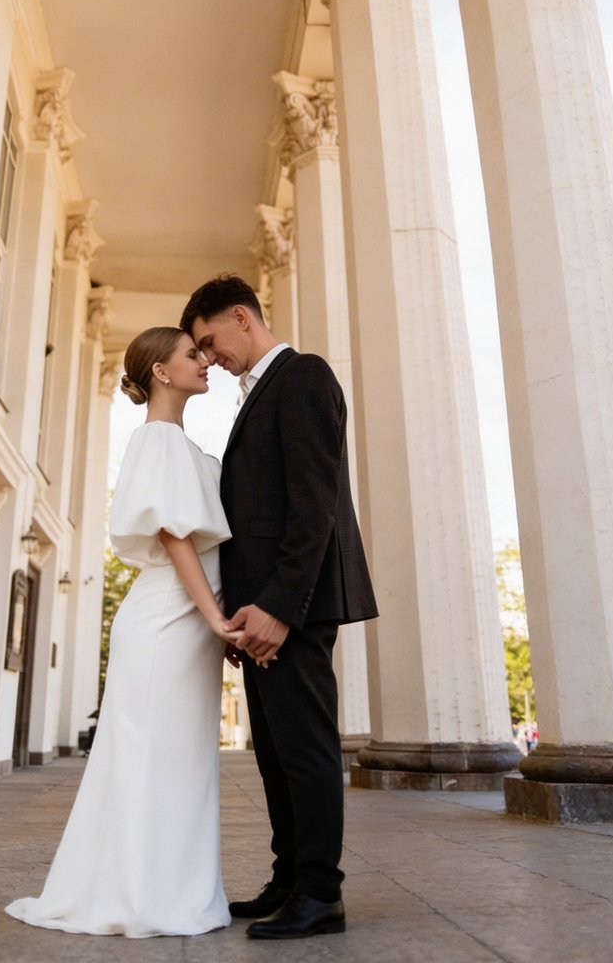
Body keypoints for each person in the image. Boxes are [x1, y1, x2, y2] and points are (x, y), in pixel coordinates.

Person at [5, 326, 237, 938]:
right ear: (160, 371)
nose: (205, 361)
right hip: (167, 620)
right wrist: (215, 615)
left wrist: (213, 621)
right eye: (192, 354)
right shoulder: (157, 439)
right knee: (150, 758)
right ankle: (138, 897)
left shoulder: (182, 445)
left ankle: (171, 890)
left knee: (181, 760)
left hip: (187, 621)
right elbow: (174, 535)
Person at [181, 274, 379, 941]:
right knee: (274, 753)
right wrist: (242, 613)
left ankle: (321, 894)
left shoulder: (303, 376)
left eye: (210, 341)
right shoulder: (259, 391)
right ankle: (289, 877)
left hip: (293, 608)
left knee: (305, 749)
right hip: (260, 611)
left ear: (242, 317)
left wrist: (280, 608)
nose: (210, 358)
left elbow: (313, 504)